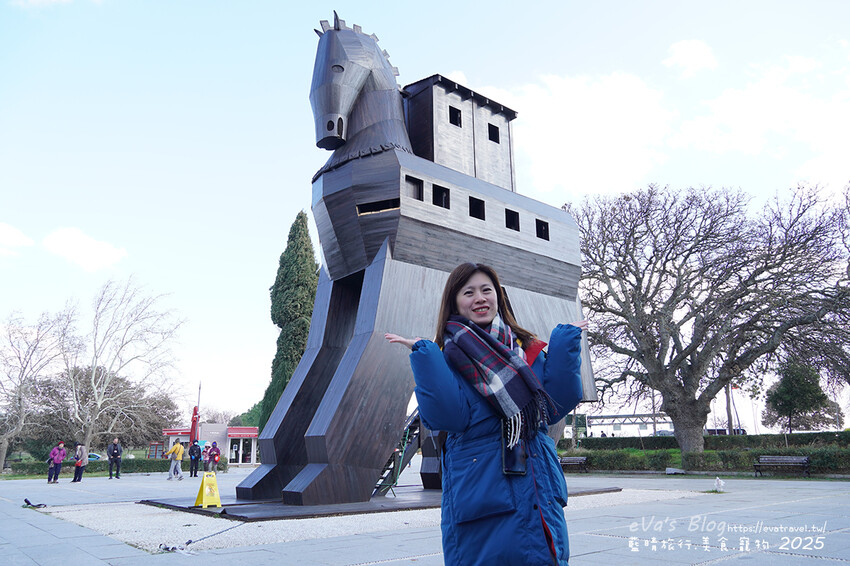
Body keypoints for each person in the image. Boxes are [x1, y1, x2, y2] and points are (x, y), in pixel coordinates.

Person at [386, 262, 585, 565]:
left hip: (538, 488)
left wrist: (565, 345)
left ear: (498, 297)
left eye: (486, 290)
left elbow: (553, 407)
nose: (479, 298)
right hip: (485, 489)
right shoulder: (448, 356)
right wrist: (426, 358)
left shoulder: (526, 349)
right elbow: (448, 416)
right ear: (454, 302)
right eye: (468, 292)